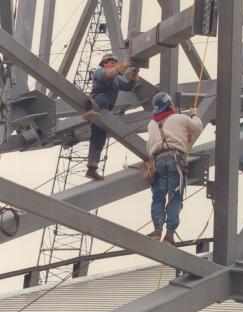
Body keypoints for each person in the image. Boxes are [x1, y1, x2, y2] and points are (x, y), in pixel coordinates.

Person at [147, 92, 203, 245]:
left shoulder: (152, 124)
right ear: (170, 105)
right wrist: (194, 115)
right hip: (175, 159)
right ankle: (169, 235)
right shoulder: (179, 119)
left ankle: (157, 229)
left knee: (158, 197)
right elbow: (197, 127)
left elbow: (149, 146)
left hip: (158, 162)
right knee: (175, 197)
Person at [83, 53, 139, 181]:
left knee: (99, 139)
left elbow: (129, 87)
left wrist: (135, 72)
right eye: (110, 62)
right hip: (99, 102)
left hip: (105, 110)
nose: (113, 63)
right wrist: (124, 65)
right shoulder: (99, 72)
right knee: (101, 101)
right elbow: (109, 75)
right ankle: (90, 111)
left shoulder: (116, 79)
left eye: (115, 62)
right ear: (104, 64)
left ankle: (92, 168)